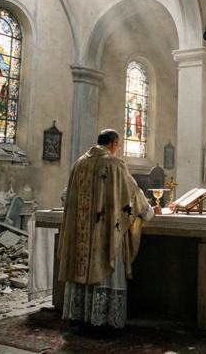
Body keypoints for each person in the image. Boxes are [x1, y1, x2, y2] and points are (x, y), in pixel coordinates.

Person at [57, 129, 162, 329]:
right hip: (105, 231)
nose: (118, 149)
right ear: (114, 144)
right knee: (106, 267)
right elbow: (132, 194)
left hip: (81, 231)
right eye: (119, 146)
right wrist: (149, 212)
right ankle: (103, 321)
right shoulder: (113, 163)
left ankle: (82, 316)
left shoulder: (80, 162)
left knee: (84, 268)